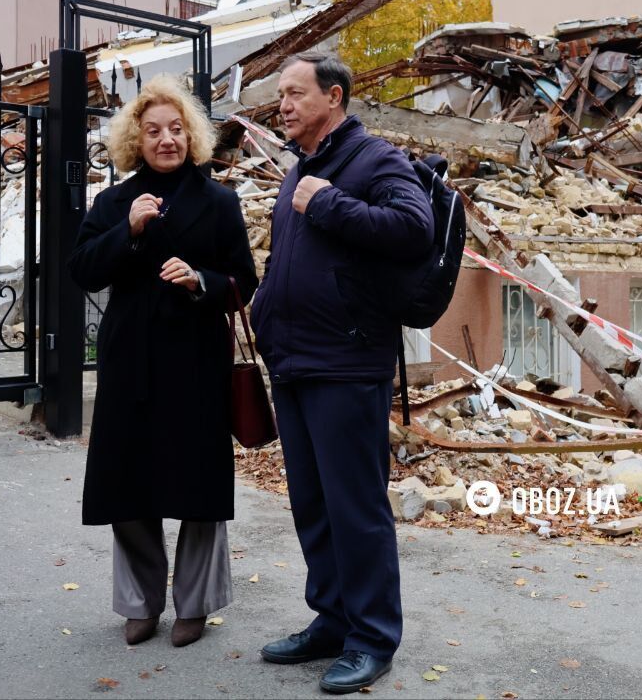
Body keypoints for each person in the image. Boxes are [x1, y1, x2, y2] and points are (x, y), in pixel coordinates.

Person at [249, 53, 433, 694]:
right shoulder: (300, 168)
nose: (284, 104)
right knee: (314, 505)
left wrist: (328, 204)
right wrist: (262, 310)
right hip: (296, 360)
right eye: (281, 95)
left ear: (334, 97)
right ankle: (331, 621)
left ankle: (372, 638)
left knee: (356, 508)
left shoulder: (374, 159)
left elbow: (415, 228)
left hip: (348, 361)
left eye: (296, 93)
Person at [68, 73, 258, 649]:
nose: (166, 140)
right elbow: (82, 270)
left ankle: (195, 604)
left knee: (197, 486)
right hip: (129, 362)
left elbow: (243, 283)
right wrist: (126, 232)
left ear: (192, 136)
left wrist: (202, 279)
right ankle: (141, 603)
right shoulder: (113, 202)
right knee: (127, 484)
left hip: (195, 362)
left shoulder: (220, 203)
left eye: (176, 129)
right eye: (153, 131)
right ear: (137, 140)